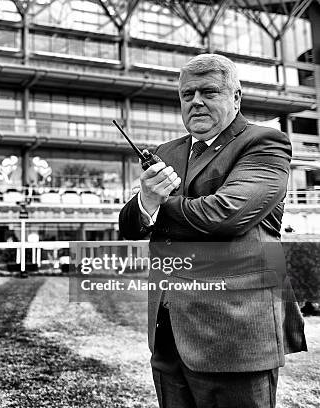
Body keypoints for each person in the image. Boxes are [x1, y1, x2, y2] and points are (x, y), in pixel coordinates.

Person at [119, 54, 306, 408]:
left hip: (235, 336)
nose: (196, 101)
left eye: (209, 91)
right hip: (169, 335)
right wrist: (145, 198)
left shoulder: (264, 143)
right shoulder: (165, 152)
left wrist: (159, 205)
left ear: (236, 97)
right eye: (187, 94)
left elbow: (225, 216)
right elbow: (129, 226)